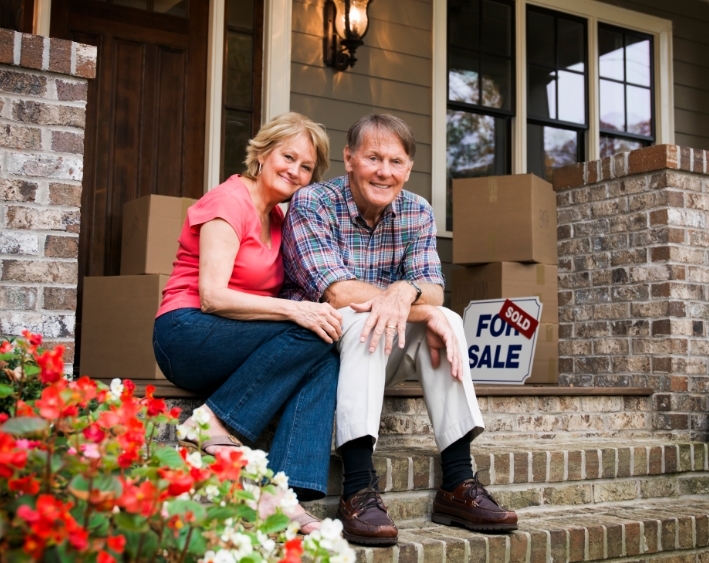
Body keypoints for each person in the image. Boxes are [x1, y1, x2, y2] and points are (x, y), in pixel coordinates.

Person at [281, 114, 518, 545]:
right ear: (350, 159)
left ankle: (459, 483)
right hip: (317, 352)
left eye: (395, 161)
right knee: (369, 317)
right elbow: (337, 294)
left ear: (408, 168)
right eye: (373, 157)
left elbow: (433, 291)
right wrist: (412, 305)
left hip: (375, 351)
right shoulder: (313, 202)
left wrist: (406, 292)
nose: (384, 171)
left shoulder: (417, 210)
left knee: (446, 319)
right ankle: (357, 488)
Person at [152, 112, 342, 533]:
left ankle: (282, 495)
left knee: (326, 349)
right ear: (263, 153)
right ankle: (213, 422)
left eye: (306, 166)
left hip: (235, 340)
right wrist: (296, 311)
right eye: (287, 157)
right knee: (308, 326)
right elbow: (212, 296)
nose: (294, 170)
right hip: (185, 331)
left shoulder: (279, 218)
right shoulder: (228, 201)